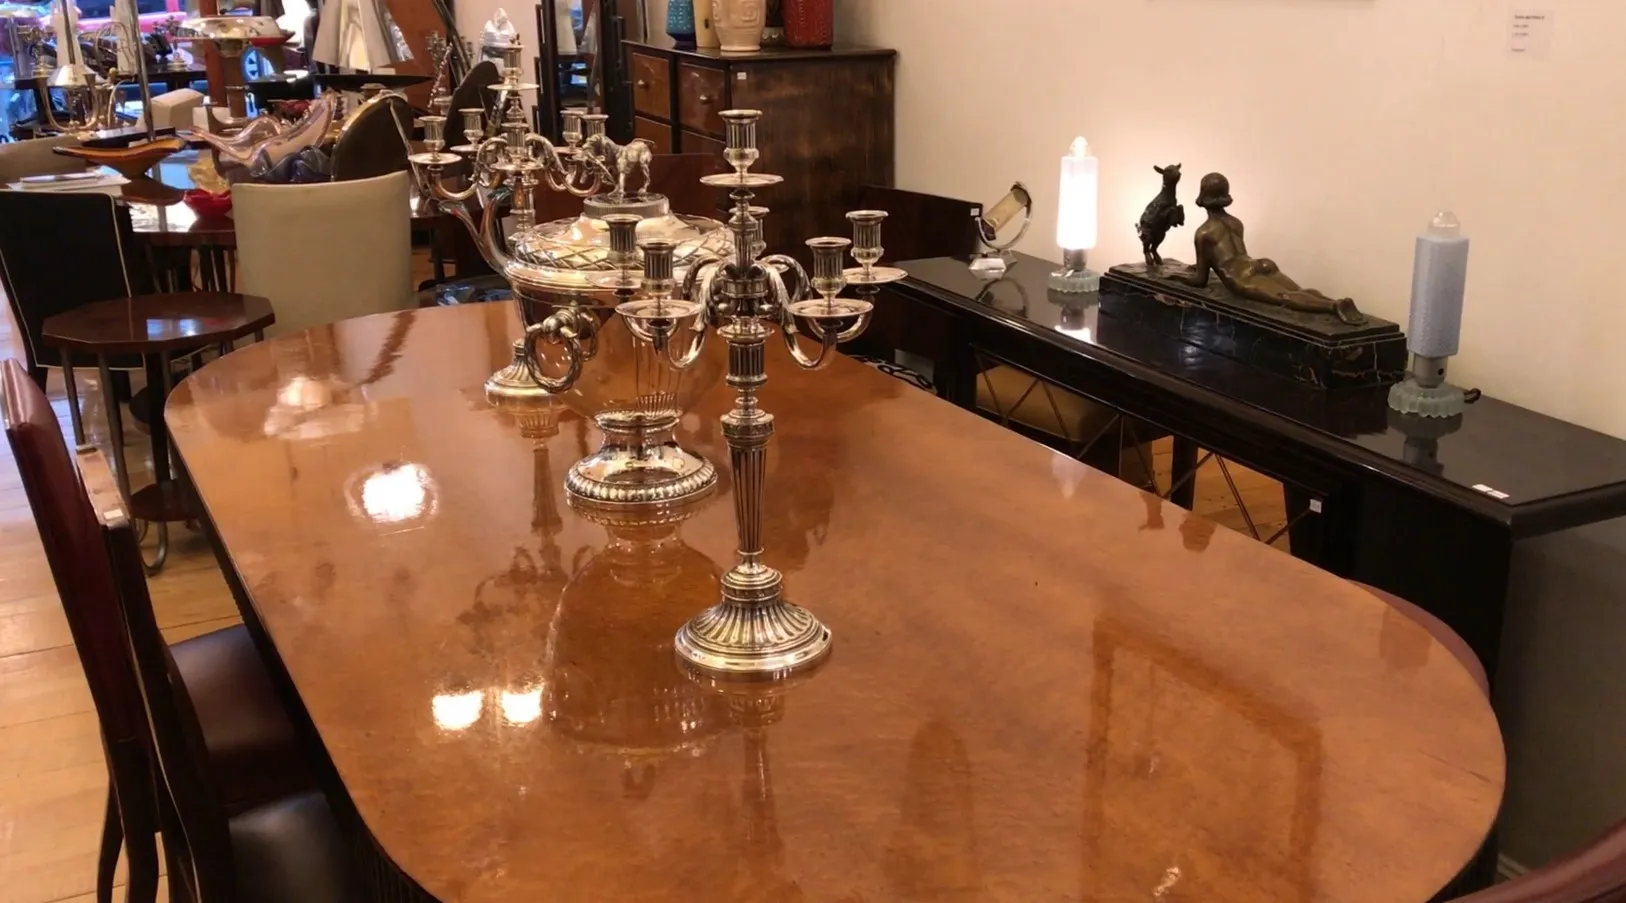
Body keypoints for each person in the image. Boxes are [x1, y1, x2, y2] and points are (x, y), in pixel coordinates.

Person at [1178, 172, 1365, 325]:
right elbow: (1230, 253)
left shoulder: (1203, 233)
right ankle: (1330, 301)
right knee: (1299, 290)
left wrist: (1177, 277)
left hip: (1241, 276)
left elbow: (1200, 279)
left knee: (1285, 297)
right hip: (1259, 263)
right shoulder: (1236, 223)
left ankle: (1333, 306)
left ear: (1203, 196)